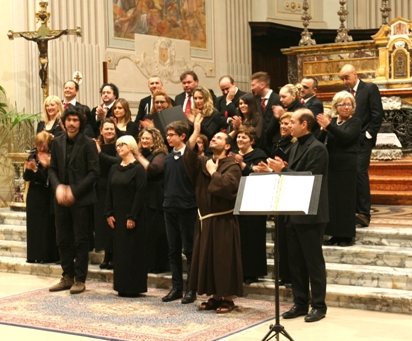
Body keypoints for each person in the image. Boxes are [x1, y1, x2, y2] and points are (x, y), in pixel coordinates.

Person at [267, 108, 329, 323]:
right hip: (292, 210)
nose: (288, 125)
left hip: (310, 212)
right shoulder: (294, 147)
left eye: (292, 121)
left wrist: (282, 171)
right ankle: (300, 303)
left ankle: (319, 306)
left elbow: (309, 178)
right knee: (295, 262)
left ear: (304, 124)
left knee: (313, 262)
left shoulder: (318, 148)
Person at [183, 113, 243, 313]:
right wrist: (196, 131)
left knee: (223, 259)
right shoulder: (203, 161)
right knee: (208, 259)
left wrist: (212, 172)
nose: (214, 139)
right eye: (213, 137)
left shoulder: (232, 165)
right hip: (205, 220)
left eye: (218, 138)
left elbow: (228, 188)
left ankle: (227, 297)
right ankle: (215, 296)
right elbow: (189, 157)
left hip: (223, 220)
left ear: (227, 146)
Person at [48, 106, 99, 294]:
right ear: (63, 122)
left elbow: (94, 173)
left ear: (80, 123)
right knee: (62, 239)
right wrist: (59, 188)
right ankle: (67, 276)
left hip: (81, 200)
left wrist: (73, 192)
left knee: (81, 240)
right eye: (68, 120)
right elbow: (52, 168)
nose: (71, 123)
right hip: (60, 199)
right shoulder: (57, 142)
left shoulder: (88, 143)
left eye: (75, 120)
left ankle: (80, 279)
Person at [255, 112, 297, 287]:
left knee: (290, 238)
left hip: (292, 193)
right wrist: (268, 169)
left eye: (288, 123)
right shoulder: (278, 144)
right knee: (280, 237)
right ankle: (283, 273)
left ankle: (291, 276)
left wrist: (283, 167)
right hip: (279, 191)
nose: (284, 126)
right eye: (282, 123)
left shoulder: (295, 146)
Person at [339, 64, 384, 227]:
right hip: (348, 139)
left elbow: (377, 114)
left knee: (359, 172)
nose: (345, 81)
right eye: (342, 79)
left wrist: (368, 135)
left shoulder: (369, 88)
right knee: (350, 173)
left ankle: (364, 212)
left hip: (363, 139)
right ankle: (352, 210)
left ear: (355, 74)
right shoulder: (345, 94)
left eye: (347, 78)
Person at [317, 91, 362, 247]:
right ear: (336, 106)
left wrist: (329, 126)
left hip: (347, 166)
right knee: (333, 201)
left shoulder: (355, 122)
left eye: (349, 104)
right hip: (332, 166)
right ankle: (334, 234)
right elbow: (319, 141)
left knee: (346, 201)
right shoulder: (333, 122)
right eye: (343, 104)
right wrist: (323, 129)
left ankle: (346, 236)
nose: (346, 107)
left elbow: (346, 138)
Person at [105, 135, 148, 297]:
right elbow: (109, 191)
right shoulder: (114, 168)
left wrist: (132, 216)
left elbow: (140, 193)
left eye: (122, 145)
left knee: (133, 251)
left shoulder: (138, 169)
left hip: (133, 216)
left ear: (131, 147)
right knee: (120, 252)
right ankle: (121, 286)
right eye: (117, 145)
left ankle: (134, 287)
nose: (119, 148)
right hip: (117, 215)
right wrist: (108, 213)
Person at [161, 121, 198, 304]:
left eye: (171, 135)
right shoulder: (167, 159)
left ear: (182, 136)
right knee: (172, 249)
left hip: (187, 207)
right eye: (167, 135)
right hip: (169, 207)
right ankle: (176, 287)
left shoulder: (190, 156)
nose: (168, 138)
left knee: (189, 249)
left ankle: (191, 289)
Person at [231, 125, 267, 284]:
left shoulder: (259, 154)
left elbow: (260, 175)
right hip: (236, 199)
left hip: (254, 200)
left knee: (253, 237)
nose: (240, 139)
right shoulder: (232, 154)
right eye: (238, 137)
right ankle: (238, 270)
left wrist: (243, 165)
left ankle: (252, 272)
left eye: (244, 137)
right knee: (239, 236)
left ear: (251, 140)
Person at [135, 127, 169, 273]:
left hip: (155, 199)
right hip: (143, 198)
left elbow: (154, 170)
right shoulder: (142, 154)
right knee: (145, 234)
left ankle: (157, 265)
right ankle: (146, 263)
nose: (144, 141)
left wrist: (139, 157)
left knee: (155, 232)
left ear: (155, 140)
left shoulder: (160, 154)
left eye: (148, 138)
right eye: (142, 138)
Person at [24, 131, 59, 264]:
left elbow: (47, 179)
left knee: (46, 226)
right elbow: (26, 178)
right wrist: (29, 169)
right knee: (34, 225)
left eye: (44, 145)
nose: (41, 148)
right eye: (39, 145)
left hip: (47, 194)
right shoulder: (32, 155)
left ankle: (46, 255)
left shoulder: (53, 156)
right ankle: (33, 255)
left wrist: (39, 169)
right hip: (34, 195)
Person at [94, 118, 118, 269]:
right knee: (102, 223)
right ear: (101, 130)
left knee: (113, 223)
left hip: (115, 186)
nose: (109, 131)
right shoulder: (95, 145)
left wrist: (100, 153)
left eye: (112, 129)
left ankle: (114, 254)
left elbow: (116, 161)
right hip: (99, 187)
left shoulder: (119, 144)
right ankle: (106, 254)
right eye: (106, 129)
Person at [265, 84, 303, 153]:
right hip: (279, 143)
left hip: (293, 145)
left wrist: (283, 115)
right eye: (280, 97)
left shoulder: (301, 110)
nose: (281, 100)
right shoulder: (281, 107)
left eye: (284, 97)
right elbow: (269, 131)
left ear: (293, 96)